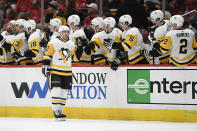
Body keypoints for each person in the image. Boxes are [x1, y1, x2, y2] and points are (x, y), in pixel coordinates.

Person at [42, 25, 83, 121]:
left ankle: (60, 111)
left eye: (67, 31)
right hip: (55, 70)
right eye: (64, 32)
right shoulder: (53, 42)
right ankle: (55, 111)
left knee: (64, 92)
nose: (66, 33)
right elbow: (47, 55)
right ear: (60, 33)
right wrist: (46, 66)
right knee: (56, 90)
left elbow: (75, 58)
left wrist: (80, 48)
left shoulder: (72, 44)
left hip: (67, 71)